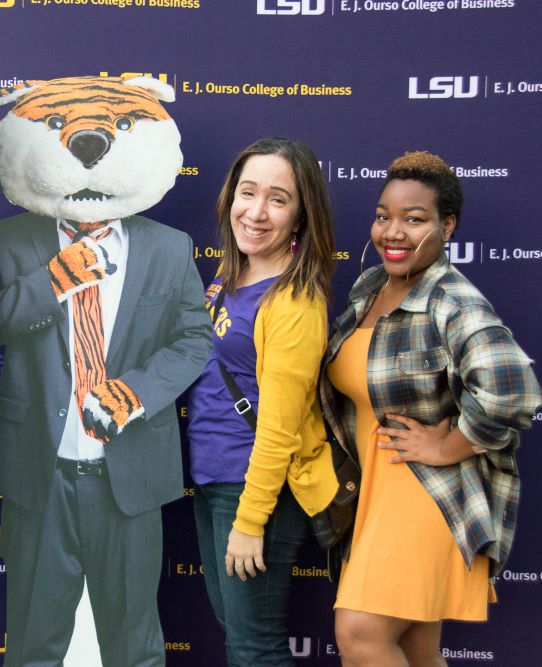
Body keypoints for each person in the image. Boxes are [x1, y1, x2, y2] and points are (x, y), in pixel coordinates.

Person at [0, 80, 213, 664]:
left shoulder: (169, 248)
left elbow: (194, 339)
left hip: (130, 474)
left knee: (133, 642)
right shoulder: (4, 243)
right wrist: (55, 281)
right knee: (34, 641)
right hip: (39, 471)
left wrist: (135, 392)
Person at [320, 151, 542, 666]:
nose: (393, 232)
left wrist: (447, 444)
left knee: (360, 633)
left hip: (427, 493)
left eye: (414, 219)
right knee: (417, 649)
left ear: (447, 226)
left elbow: (512, 390)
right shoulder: (370, 287)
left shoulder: (451, 299)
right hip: (377, 490)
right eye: (384, 216)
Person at [186, 136, 339, 666]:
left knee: (255, 648)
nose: (256, 211)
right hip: (213, 478)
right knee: (239, 634)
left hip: (253, 490)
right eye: (247, 193)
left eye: (278, 199)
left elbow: (281, 427)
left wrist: (251, 521)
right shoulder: (231, 276)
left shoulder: (294, 300)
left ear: (300, 216)